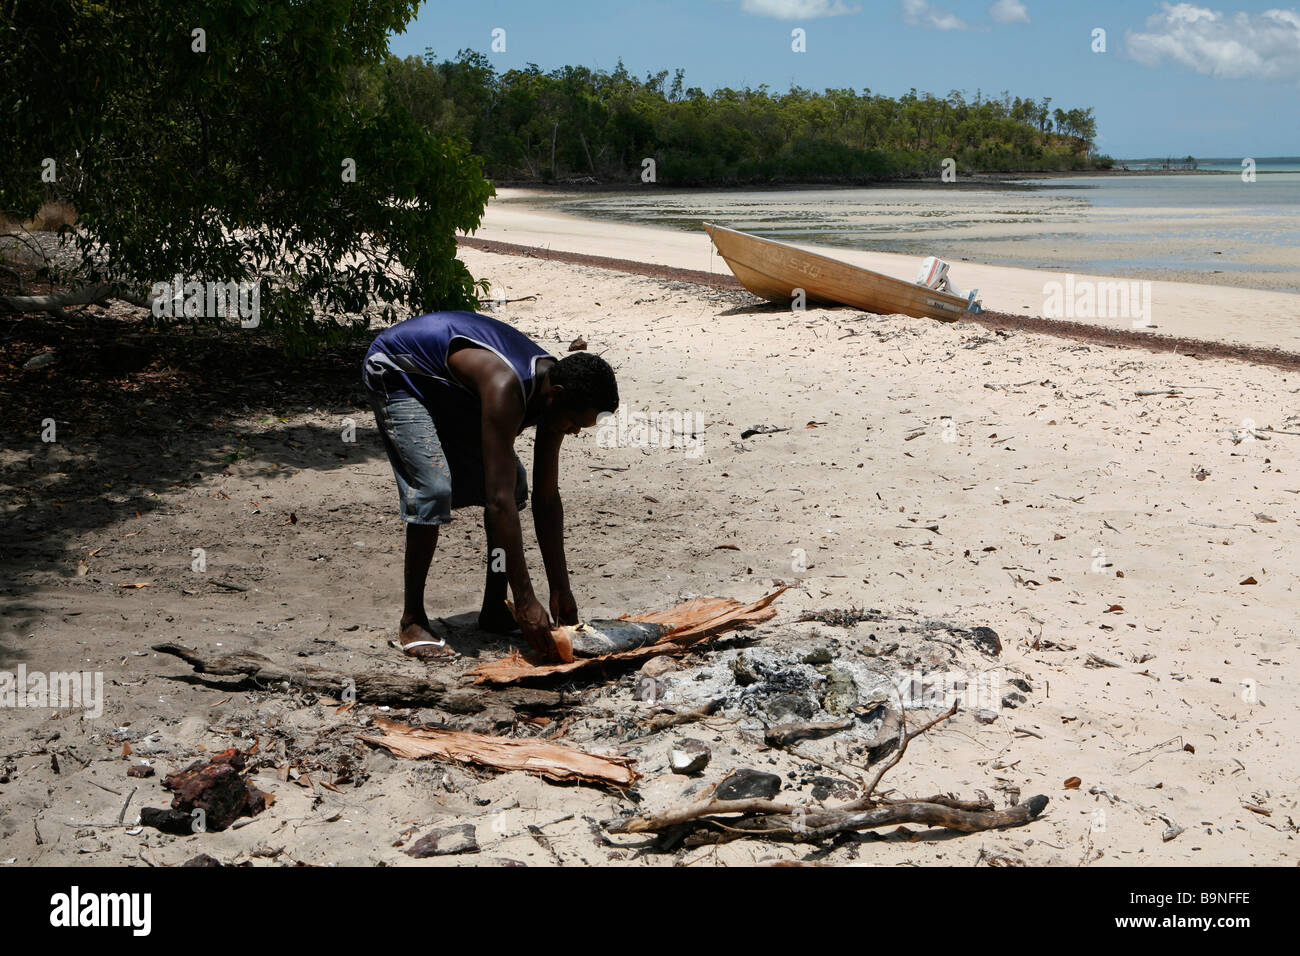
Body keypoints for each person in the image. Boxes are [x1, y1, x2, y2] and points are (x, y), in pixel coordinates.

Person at [362, 310, 618, 662]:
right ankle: (412, 620)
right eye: (575, 423)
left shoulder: (554, 396)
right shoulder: (506, 388)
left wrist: (561, 589)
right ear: (556, 395)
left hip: (447, 386)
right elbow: (498, 504)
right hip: (398, 369)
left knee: (517, 485)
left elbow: (546, 498)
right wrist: (527, 600)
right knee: (434, 490)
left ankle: (496, 609)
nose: (574, 431)